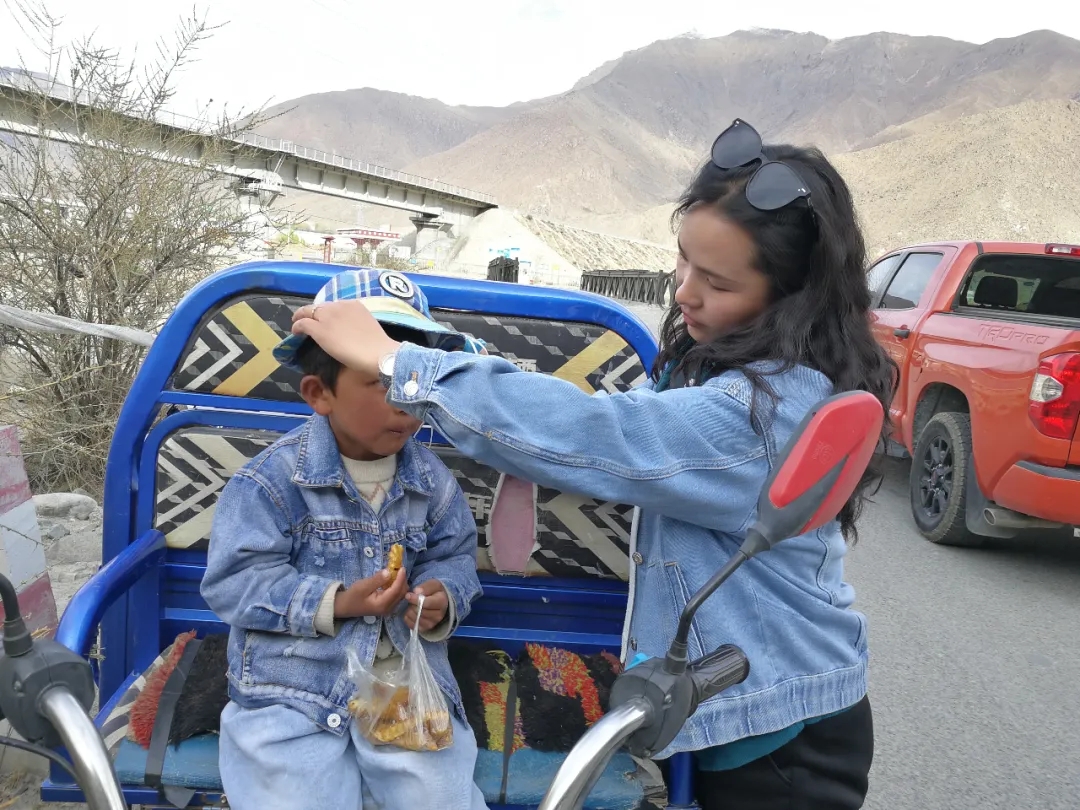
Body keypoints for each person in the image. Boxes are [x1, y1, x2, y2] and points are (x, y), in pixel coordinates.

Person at [288, 119, 898, 810]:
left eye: (717, 281)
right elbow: (585, 425)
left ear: (792, 296)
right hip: (740, 706)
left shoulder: (762, 413)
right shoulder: (722, 362)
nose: (686, 293)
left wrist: (399, 362)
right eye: (683, 261)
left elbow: (596, 435)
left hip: (785, 739)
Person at [200, 269, 490, 810]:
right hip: (290, 688)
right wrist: (339, 602)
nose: (405, 401)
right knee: (285, 794)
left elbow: (454, 558)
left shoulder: (433, 483)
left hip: (402, 680)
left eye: (414, 379)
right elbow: (233, 584)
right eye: (383, 381)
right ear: (319, 393)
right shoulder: (269, 483)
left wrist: (441, 596)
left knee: (441, 795)